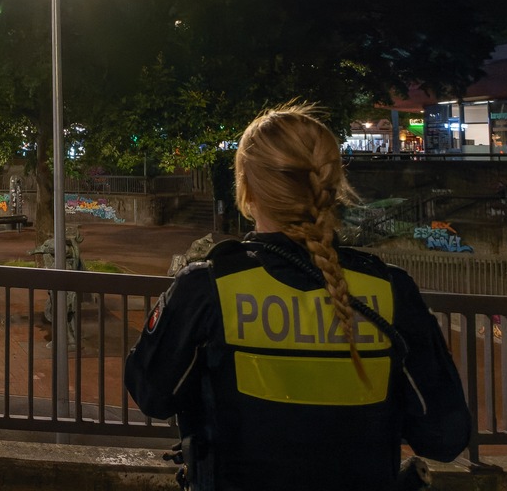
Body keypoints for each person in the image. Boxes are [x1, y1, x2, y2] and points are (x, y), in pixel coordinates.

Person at [125, 103, 469, 491]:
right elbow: (444, 437)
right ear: (331, 184)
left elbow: (152, 395)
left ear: (247, 188)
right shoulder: (389, 291)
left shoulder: (208, 288)